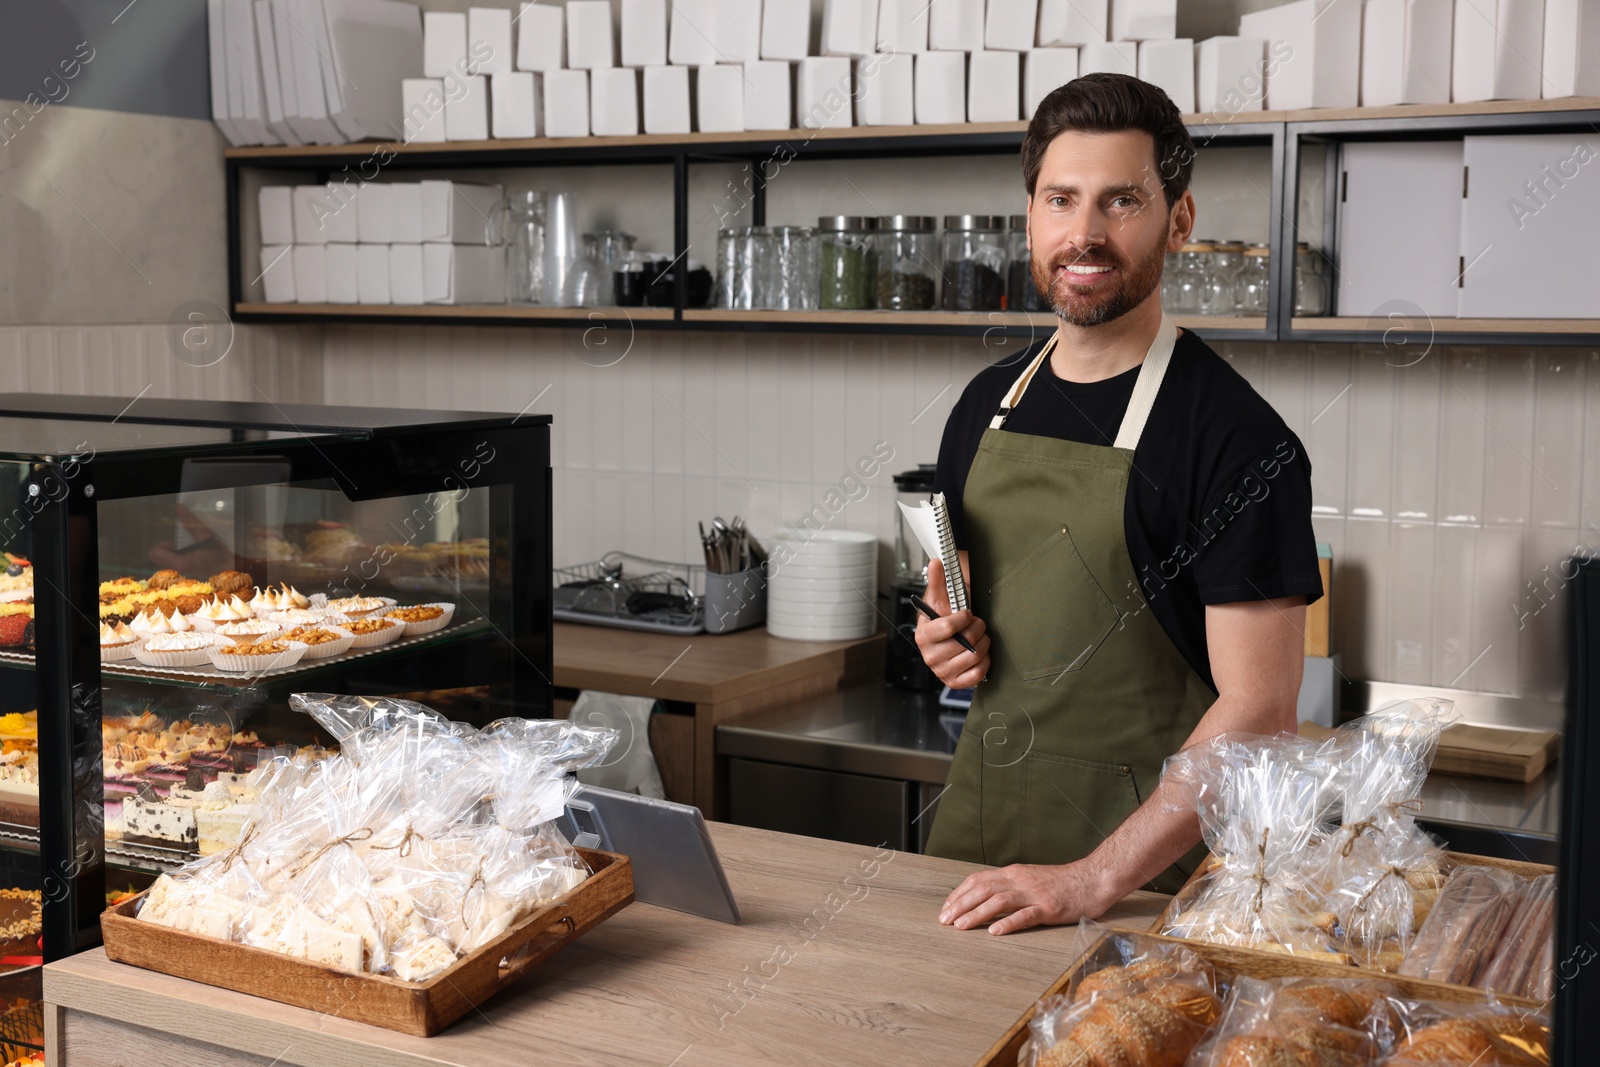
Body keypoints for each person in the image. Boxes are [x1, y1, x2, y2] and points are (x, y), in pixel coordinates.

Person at [917, 73, 1323, 935]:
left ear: (1179, 219)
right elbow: (951, 588)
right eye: (1060, 200)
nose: (1084, 234)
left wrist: (1091, 880)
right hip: (978, 862)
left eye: (1121, 201)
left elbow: (1261, 710)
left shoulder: (1239, 439)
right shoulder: (987, 404)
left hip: (1148, 895)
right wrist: (942, 631)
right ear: (1031, 214)